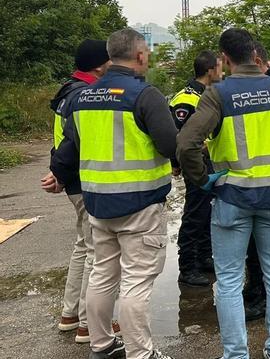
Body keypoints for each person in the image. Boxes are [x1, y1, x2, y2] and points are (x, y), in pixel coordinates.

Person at [177, 28, 270, 358]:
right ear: (256, 55)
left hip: (232, 200)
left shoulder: (218, 94)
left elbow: (186, 144)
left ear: (225, 59)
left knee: (230, 281)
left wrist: (204, 180)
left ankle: (236, 354)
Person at [49, 28, 178, 359]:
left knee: (103, 274)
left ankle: (102, 345)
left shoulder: (80, 98)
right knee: (137, 280)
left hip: (98, 203)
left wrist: (58, 174)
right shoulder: (145, 95)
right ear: (138, 55)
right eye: (146, 53)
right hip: (140, 204)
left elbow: (69, 145)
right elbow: (170, 144)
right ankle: (141, 353)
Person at [42, 39, 112, 344]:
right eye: (110, 61)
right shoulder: (86, 94)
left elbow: (63, 137)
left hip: (71, 177)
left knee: (83, 246)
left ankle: (70, 315)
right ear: (99, 65)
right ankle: (89, 324)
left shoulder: (67, 89)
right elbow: (78, 139)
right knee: (97, 252)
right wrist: (60, 170)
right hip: (84, 178)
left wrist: (58, 171)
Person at [170, 50, 223, 288]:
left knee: (206, 212)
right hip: (196, 162)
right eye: (220, 67)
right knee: (194, 213)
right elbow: (177, 135)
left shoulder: (210, 94)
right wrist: (177, 163)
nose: (223, 71)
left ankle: (204, 256)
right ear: (210, 70)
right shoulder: (186, 98)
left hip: (211, 161)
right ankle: (187, 266)